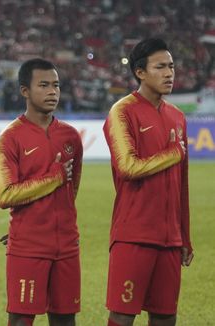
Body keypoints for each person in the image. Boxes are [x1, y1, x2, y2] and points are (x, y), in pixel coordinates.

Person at [103, 38, 193, 326]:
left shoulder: (177, 117)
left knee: (166, 316)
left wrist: (184, 236)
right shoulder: (122, 111)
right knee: (122, 315)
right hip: (133, 235)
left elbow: (182, 184)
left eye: (171, 66)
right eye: (160, 67)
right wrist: (172, 153)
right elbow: (128, 166)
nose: (169, 73)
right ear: (140, 72)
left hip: (170, 239)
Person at [0, 58, 83, 326]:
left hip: (67, 245)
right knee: (21, 320)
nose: (52, 91)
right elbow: (5, 195)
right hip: (28, 247)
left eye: (56, 85)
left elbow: (71, 189)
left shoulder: (70, 137)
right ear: (25, 91)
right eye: (43, 85)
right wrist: (53, 178)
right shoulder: (11, 137)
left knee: (65, 320)